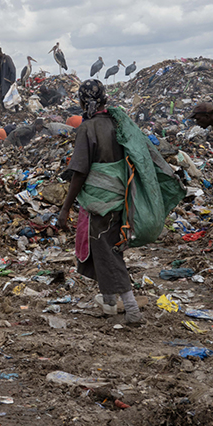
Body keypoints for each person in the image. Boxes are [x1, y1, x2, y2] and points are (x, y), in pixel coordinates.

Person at [57, 80, 143, 325]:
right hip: (121, 196)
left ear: (84, 101)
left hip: (100, 200)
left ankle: (131, 309)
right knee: (103, 247)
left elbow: (80, 171)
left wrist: (65, 209)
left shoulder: (89, 128)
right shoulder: (118, 123)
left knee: (107, 250)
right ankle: (108, 304)